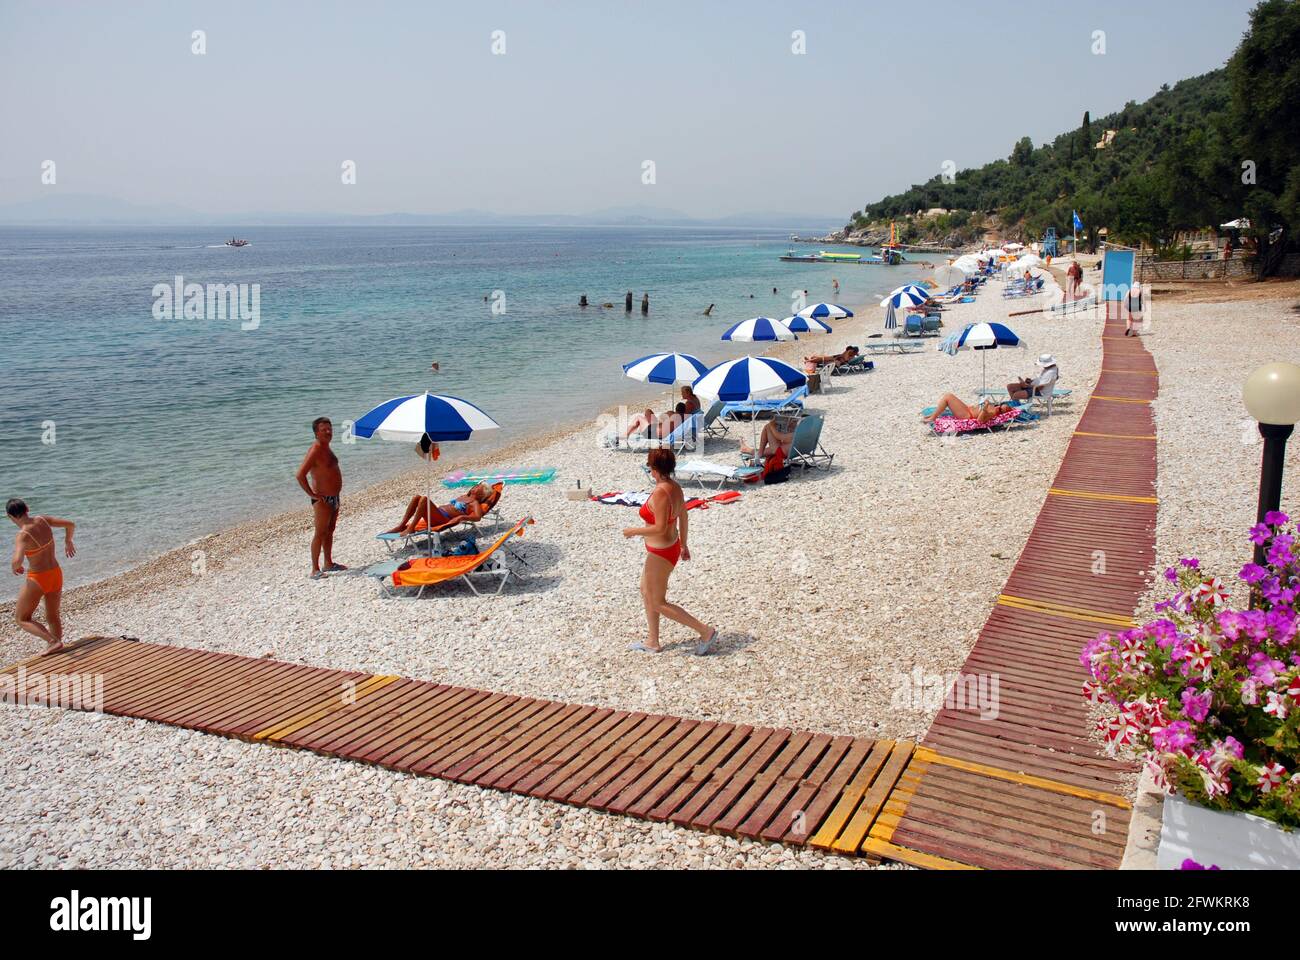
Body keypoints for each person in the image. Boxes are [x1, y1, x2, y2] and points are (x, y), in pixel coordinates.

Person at [623, 449, 717, 655]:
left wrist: (633, 531)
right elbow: (683, 516)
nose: (649, 469)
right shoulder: (675, 487)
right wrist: (684, 544)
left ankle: (705, 631)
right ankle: (652, 641)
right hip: (668, 548)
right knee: (646, 591)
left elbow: (660, 528)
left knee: (657, 602)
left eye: (650, 466)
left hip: (661, 553)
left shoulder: (661, 492)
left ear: (654, 469)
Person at [7, 499, 74, 655]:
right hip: (56, 573)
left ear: (10, 516)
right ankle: (56, 648)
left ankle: (52, 641)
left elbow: (17, 560)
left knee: (22, 618)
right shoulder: (43, 520)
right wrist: (68, 540)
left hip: (38, 578)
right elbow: (70, 524)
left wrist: (15, 566)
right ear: (27, 509)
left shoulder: (22, 534)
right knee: (53, 615)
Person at [296, 417, 345, 579]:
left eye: (330, 429)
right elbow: (300, 475)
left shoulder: (327, 448)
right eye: (323, 430)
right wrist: (312, 495)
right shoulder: (316, 449)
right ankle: (315, 570)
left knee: (330, 531)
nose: (328, 432)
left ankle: (328, 563)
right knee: (320, 533)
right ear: (316, 433)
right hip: (322, 499)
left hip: (334, 497)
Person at [385, 483, 491, 536]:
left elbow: (478, 517)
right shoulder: (464, 497)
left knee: (424, 500)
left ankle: (411, 527)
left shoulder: (474, 503)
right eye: (476, 486)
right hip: (438, 513)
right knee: (416, 497)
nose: (475, 487)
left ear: (481, 493)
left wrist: (463, 516)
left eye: (478, 487)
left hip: (443, 519)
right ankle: (401, 526)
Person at [923, 394, 1016, 423]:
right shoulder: (993, 407)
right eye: (1000, 406)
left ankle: (933, 417)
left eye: (1000, 410)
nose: (998, 408)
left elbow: (980, 420)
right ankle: (935, 414)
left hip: (967, 415)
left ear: (1001, 413)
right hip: (967, 409)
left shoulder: (993, 414)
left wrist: (985, 407)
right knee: (949, 397)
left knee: (948, 397)